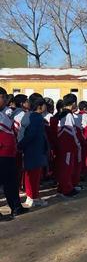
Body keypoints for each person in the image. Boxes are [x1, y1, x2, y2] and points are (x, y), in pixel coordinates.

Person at [0, 86, 28, 220]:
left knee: (11, 182)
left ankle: (16, 207)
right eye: (3, 97)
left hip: (9, 153)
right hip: (1, 154)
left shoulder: (5, 112)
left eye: (6, 97)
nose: (5, 100)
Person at [18, 97, 49, 207]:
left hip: (29, 149)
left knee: (29, 174)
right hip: (35, 149)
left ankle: (30, 196)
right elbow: (31, 134)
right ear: (40, 106)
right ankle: (33, 198)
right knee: (35, 175)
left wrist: (21, 145)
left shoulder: (27, 115)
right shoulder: (37, 118)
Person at [55, 94, 81, 198]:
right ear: (74, 103)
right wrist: (77, 144)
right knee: (67, 168)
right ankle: (66, 189)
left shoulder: (60, 113)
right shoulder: (68, 115)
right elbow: (72, 132)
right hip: (68, 146)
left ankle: (62, 188)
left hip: (61, 145)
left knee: (63, 167)